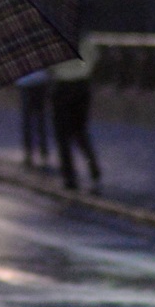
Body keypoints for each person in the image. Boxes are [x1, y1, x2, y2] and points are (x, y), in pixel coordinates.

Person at [49, 36, 101, 193]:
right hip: (82, 85)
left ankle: (69, 176)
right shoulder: (85, 39)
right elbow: (95, 57)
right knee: (80, 130)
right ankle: (93, 168)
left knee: (62, 135)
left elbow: (50, 65)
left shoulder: (55, 42)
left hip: (63, 87)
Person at [15, 69, 50, 168]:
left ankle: (30, 154)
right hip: (40, 81)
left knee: (28, 121)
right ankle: (42, 154)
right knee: (40, 120)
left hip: (27, 83)